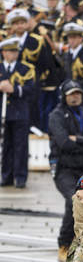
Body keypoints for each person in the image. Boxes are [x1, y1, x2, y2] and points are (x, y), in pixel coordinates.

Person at [49, 81, 83, 261]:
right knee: (74, 200)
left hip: (82, 168)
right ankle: (64, 245)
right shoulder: (56, 116)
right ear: (64, 96)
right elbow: (63, 142)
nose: (75, 96)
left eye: (78, 93)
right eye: (71, 93)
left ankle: (81, 240)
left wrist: (77, 139)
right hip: (63, 169)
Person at [0, 37, 35, 189]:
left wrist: (14, 89)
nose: (13, 54)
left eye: (15, 51)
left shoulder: (26, 68)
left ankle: (20, 177)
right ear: (3, 53)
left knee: (20, 146)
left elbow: (31, 89)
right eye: (10, 51)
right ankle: (6, 175)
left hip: (20, 113)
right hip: (2, 113)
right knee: (5, 145)